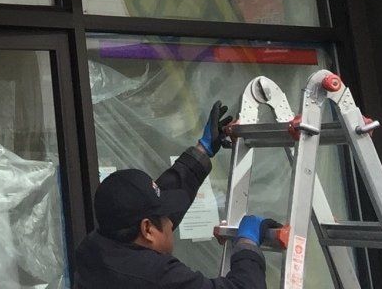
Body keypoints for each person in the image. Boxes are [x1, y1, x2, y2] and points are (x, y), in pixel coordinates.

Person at [73, 99, 275, 289]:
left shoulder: (95, 247)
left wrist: (202, 151)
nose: (172, 222)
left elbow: (157, 200)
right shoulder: (155, 275)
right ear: (147, 229)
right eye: (165, 216)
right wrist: (247, 246)